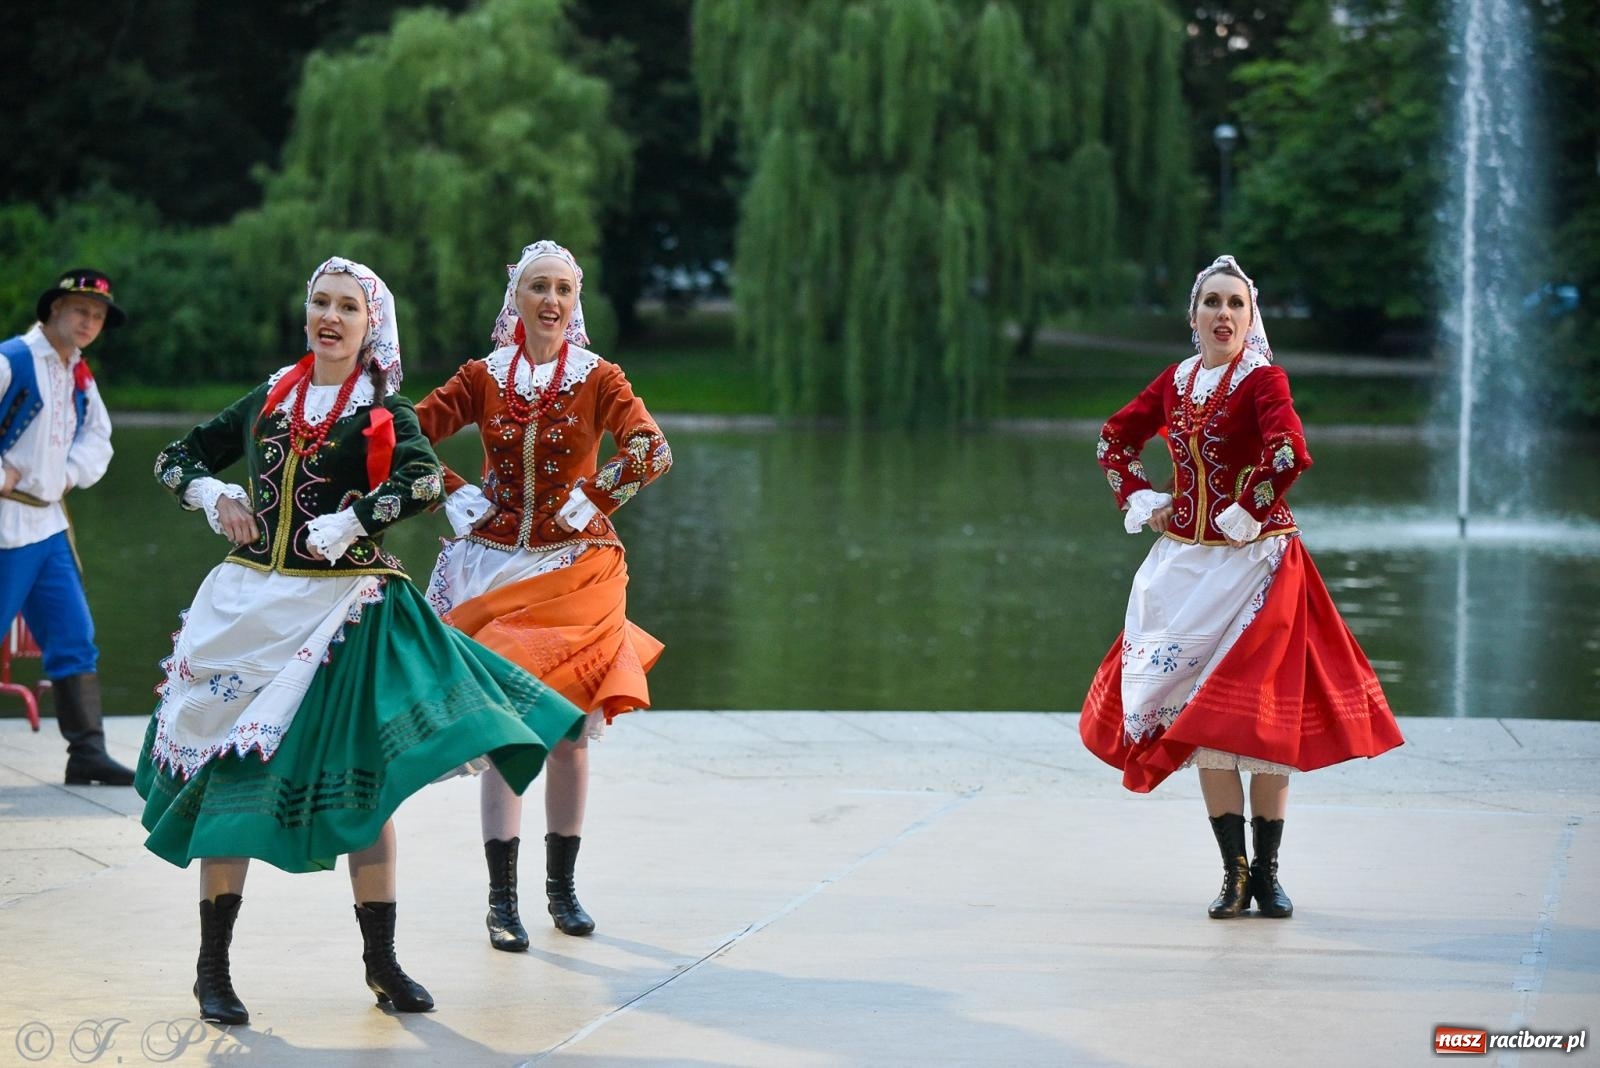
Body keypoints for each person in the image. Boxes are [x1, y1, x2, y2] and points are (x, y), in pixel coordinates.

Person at [135, 257, 585, 1024]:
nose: (331, 317)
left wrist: (356, 518)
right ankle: (213, 970)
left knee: (365, 782)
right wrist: (215, 492)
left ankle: (382, 964)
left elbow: (419, 479)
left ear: (372, 324)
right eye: (321, 302)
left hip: (343, 610)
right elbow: (174, 457)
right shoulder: (270, 398)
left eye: (348, 306)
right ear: (307, 311)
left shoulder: (382, 407)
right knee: (228, 778)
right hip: (251, 608)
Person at [1078, 254, 1404, 920]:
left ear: (1250, 318)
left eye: (1236, 304)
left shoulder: (1263, 380)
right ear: (1192, 316)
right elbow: (1114, 439)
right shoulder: (1175, 382)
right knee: (1202, 720)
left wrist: (1249, 506)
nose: (1223, 314)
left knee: (1254, 716)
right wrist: (1145, 500)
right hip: (1187, 570)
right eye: (1212, 303)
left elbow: (1289, 448)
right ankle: (1233, 873)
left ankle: (1269, 873)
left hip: (1259, 568)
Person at [415, 240, 670, 948]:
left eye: (562, 288)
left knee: (565, 733)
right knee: (504, 733)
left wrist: (595, 496)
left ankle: (562, 889)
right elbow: (398, 433)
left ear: (575, 301)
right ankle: (502, 901)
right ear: (515, 299)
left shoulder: (599, 377)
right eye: (538, 288)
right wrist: (453, 490)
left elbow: (652, 449)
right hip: (495, 567)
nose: (551, 301)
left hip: (574, 572)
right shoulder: (482, 376)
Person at [0, 268, 133, 786]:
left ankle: (87, 754)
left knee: (74, 636)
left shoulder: (78, 372)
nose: (89, 322)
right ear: (53, 309)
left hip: (49, 525)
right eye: (80, 310)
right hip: (6, 523)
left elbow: (100, 436)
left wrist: (69, 475)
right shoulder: (12, 360)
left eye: (98, 316)